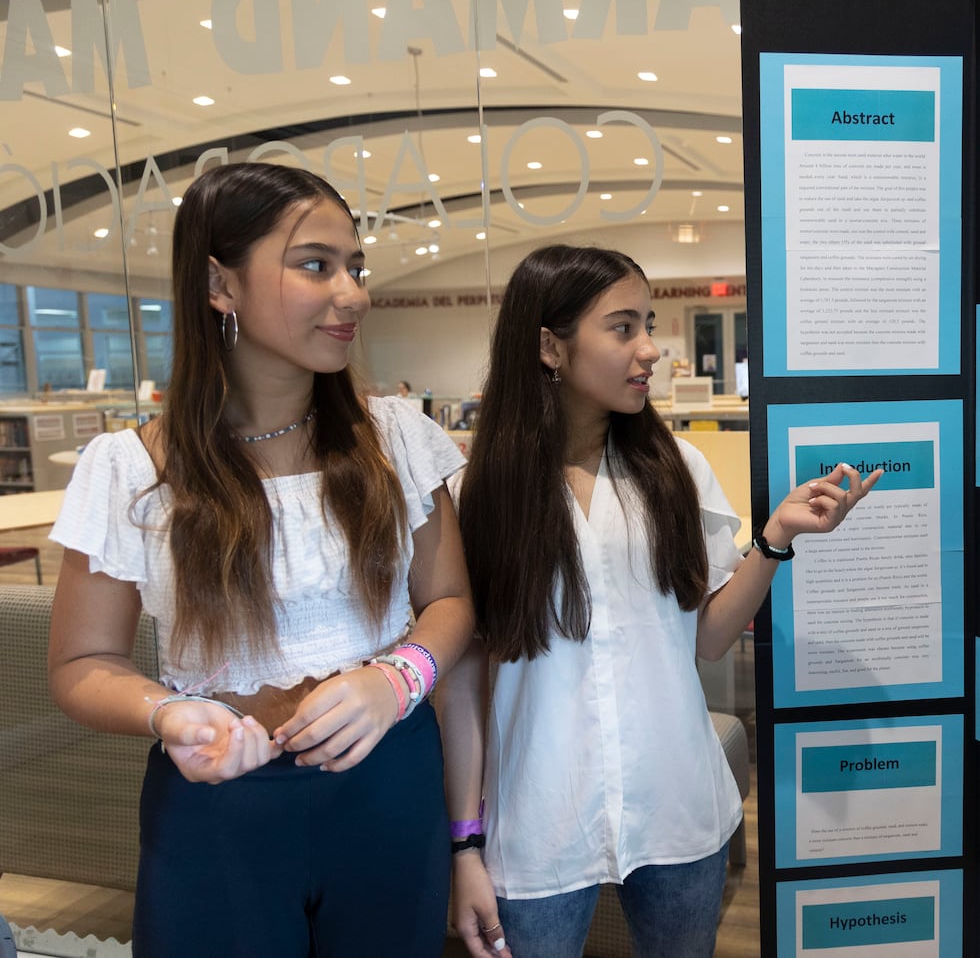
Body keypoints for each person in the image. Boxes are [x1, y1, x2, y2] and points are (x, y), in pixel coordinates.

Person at [47, 162, 474, 957]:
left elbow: (450, 601)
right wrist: (167, 711)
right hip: (219, 807)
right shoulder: (131, 468)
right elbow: (81, 660)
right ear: (220, 284)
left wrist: (395, 680)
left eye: (355, 267)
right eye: (316, 265)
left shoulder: (394, 438)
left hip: (387, 782)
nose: (352, 293)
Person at [438, 244, 881, 958]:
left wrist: (774, 539)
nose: (650, 349)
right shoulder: (475, 496)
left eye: (647, 323)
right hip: (537, 818)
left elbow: (707, 638)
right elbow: (462, 687)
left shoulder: (677, 471)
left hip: (675, 802)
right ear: (550, 346)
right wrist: (464, 846)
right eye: (623, 328)